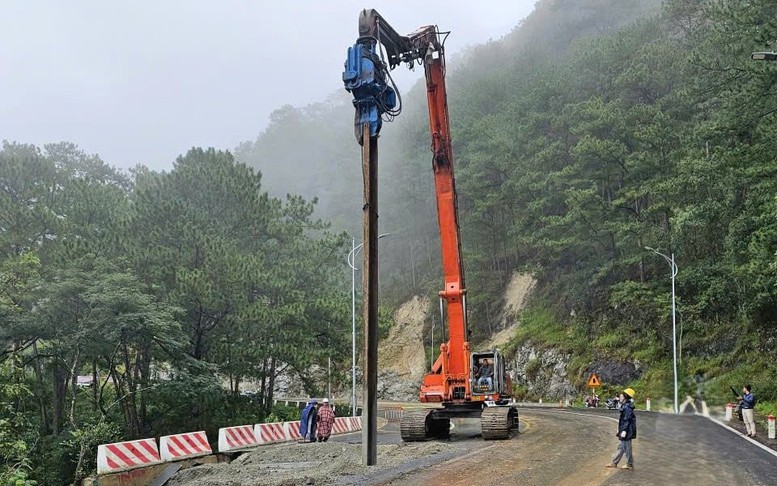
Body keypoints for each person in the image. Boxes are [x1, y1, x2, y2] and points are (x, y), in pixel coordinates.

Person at [605, 388, 637, 470]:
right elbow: (622, 421)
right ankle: (614, 463)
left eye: (621, 396)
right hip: (624, 429)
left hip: (627, 430)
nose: (620, 398)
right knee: (621, 447)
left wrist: (624, 431)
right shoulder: (625, 405)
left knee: (627, 448)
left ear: (626, 397)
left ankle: (629, 464)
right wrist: (619, 430)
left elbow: (627, 420)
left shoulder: (627, 407)